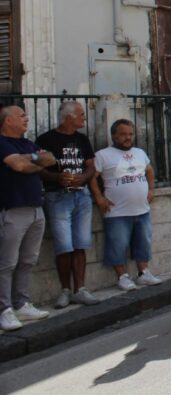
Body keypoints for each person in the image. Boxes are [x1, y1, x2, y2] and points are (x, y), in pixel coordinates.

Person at [36, 100, 100, 307]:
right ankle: (65, 289)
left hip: (81, 195)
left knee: (81, 243)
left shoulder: (82, 139)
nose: (83, 118)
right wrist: (57, 178)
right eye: (81, 115)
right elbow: (39, 168)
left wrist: (83, 178)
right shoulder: (46, 139)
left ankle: (79, 288)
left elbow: (91, 166)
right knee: (64, 246)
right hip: (57, 196)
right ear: (69, 117)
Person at [90, 119, 162, 291]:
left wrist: (151, 189)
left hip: (142, 209)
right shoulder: (102, 155)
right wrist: (99, 198)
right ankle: (122, 277)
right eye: (123, 134)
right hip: (117, 212)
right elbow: (92, 177)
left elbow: (149, 170)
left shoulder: (139, 152)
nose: (127, 138)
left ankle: (143, 273)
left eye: (130, 134)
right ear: (114, 135)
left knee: (143, 241)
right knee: (117, 244)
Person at [0, 106, 55, 331]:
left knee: (28, 260)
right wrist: (35, 161)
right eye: (21, 116)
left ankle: (21, 303)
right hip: (13, 209)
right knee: (7, 263)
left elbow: (50, 159)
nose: (26, 118)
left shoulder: (27, 143)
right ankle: (4, 309)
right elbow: (19, 165)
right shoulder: (2, 143)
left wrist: (32, 159)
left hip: (35, 209)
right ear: (7, 121)